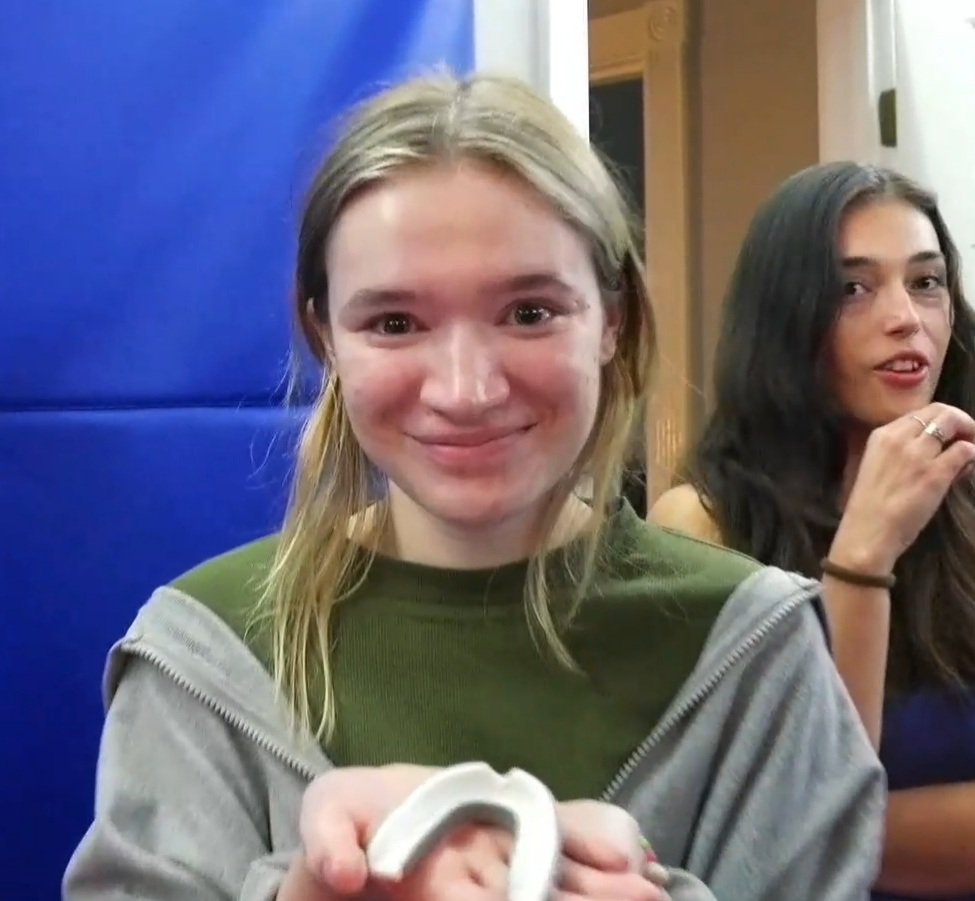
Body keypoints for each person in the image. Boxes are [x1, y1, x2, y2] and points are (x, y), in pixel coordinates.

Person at [64, 75, 884, 901]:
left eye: (529, 312)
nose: (465, 390)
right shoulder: (206, 654)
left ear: (613, 319)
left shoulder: (751, 646)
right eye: (394, 323)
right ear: (325, 335)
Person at [652, 161, 975, 900]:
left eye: (926, 282)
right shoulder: (702, 524)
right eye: (852, 289)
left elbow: (801, 827)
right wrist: (864, 552)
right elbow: (773, 840)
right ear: (784, 317)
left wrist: (839, 831)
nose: (906, 317)